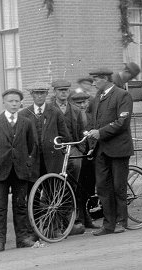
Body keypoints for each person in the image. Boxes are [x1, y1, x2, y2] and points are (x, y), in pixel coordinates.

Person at [0, 89, 38, 253]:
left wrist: (26, 162)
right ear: (4, 102)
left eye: (17, 101)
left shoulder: (26, 122)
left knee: (20, 205)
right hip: (0, 170)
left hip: (20, 170)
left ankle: (22, 239)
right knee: (0, 207)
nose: (14, 104)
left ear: (21, 103)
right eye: (10, 101)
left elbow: (32, 145)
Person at [86, 67, 134, 236]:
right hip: (101, 149)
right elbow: (92, 120)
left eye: (96, 80)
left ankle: (121, 221)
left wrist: (100, 132)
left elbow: (122, 122)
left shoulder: (122, 95)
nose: (93, 83)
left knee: (118, 186)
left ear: (106, 79)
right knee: (103, 188)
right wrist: (89, 132)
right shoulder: (98, 97)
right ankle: (108, 224)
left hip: (118, 149)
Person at [51, 79, 87, 232]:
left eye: (66, 90)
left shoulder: (76, 110)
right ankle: (54, 223)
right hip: (56, 150)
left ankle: (70, 221)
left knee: (72, 186)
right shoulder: (49, 109)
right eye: (60, 90)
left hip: (73, 150)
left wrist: (80, 150)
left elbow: (80, 132)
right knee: (55, 186)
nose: (63, 93)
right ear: (55, 92)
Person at [19, 82, 70, 185]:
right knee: (33, 190)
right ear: (31, 94)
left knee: (53, 187)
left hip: (52, 158)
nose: (39, 96)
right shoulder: (24, 114)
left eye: (42, 93)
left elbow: (65, 136)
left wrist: (57, 149)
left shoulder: (55, 112)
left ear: (46, 94)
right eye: (36, 93)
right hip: (32, 159)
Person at [70, 88, 97, 228]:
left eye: (84, 102)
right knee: (77, 186)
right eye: (78, 102)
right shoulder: (72, 116)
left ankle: (87, 216)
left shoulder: (92, 115)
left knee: (89, 186)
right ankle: (78, 217)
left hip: (90, 154)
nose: (82, 105)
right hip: (78, 154)